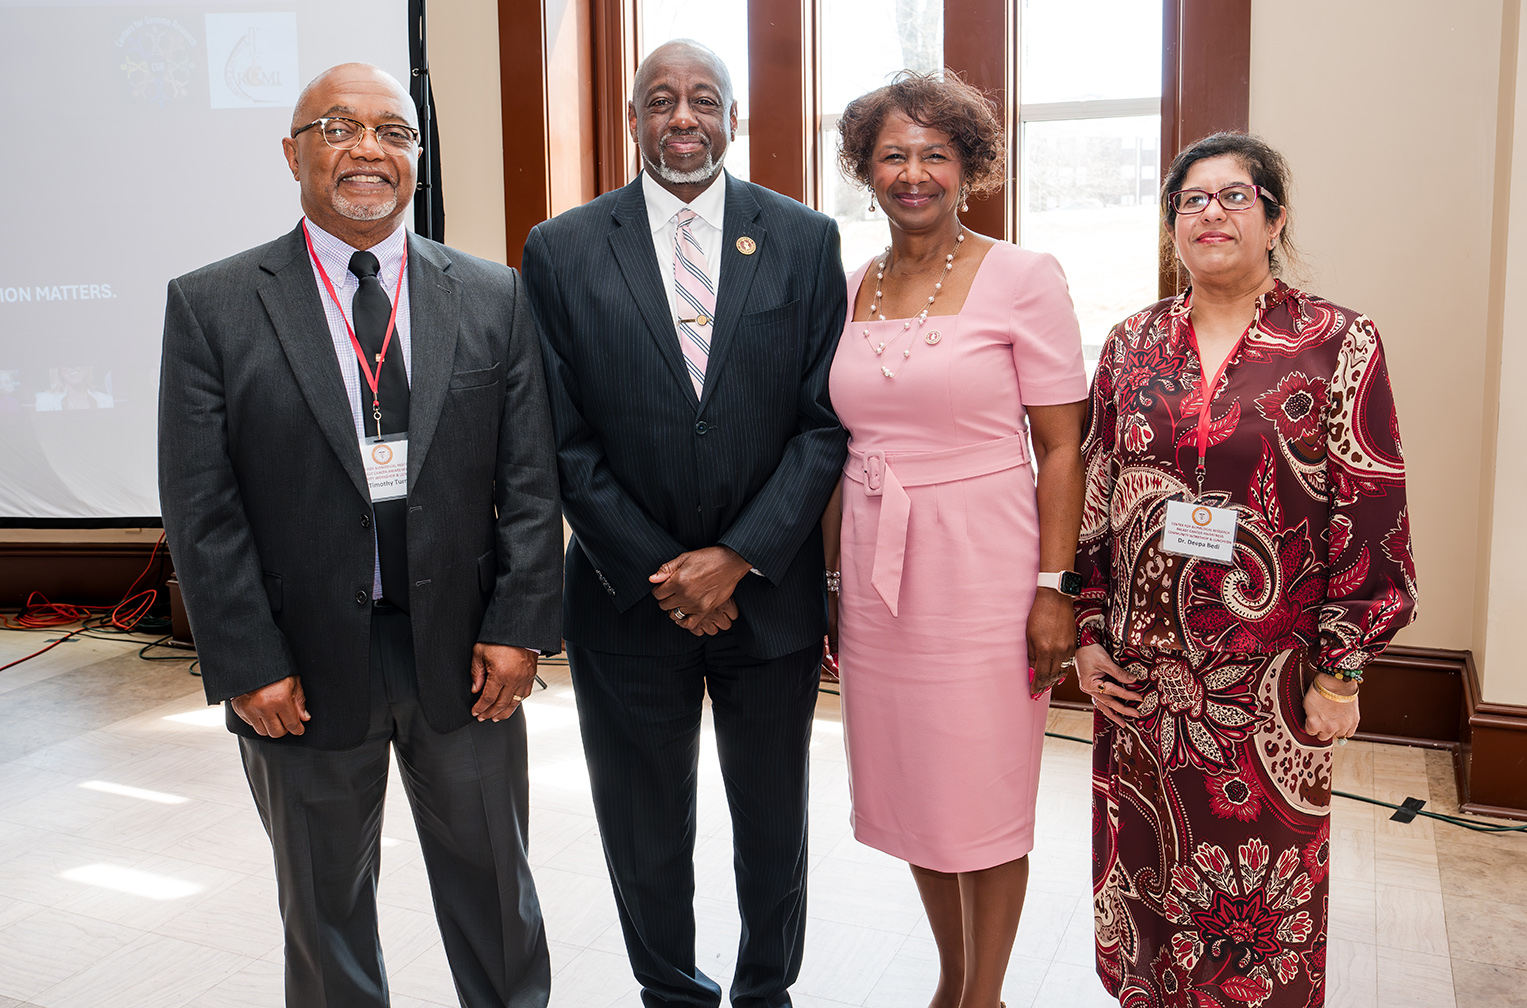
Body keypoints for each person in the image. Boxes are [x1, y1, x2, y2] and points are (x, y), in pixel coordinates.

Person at [157, 63, 563, 1008]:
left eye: (395, 130)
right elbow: (200, 504)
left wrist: (519, 627)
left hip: (466, 657)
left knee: (498, 900)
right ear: (292, 152)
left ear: (416, 155)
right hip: (299, 666)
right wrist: (246, 661)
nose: (369, 149)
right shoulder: (214, 304)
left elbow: (530, 479)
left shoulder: (493, 294)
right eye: (338, 127)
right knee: (325, 914)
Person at [521, 39, 847, 1008]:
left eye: (704, 99)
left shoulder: (803, 239)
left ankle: (763, 990)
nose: (682, 117)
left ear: (733, 120)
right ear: (631, 120)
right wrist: (670, 569)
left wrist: (738, 558)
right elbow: (561, 438)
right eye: (659, 99)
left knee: (772, 819)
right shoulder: (564, 248)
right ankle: (669, 989)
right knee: (643, 820)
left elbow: (823, 425)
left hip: (771, 598)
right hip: (628, 602)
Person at [1073, 132, 1417, 1008]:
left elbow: (1369, 511)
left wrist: (1340, 674)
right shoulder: (1131, 344)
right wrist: (1084, 634)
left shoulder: (1337, 342)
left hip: (1273, 680)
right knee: (1151, 883)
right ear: (1171, 226)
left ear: (1274, 217)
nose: (1211, 214)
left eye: (1234, 196)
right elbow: (1098, 495)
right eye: (1191, 200)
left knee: (1259, 896)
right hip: (1145, 682)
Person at [820, 71, 1088, 1008]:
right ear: (865, 168)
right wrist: (830, 584)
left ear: (969, 167)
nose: (914, 172)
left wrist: (1054, 586)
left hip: (986, 568)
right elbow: (837, 442)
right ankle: (952, 982)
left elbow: (1060, 447)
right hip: (876, 574)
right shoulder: (851, 284)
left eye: (936, 153)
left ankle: (986, 997)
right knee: (916, 795)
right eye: (892, 153)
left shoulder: (1023, 275)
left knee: (983, 793)